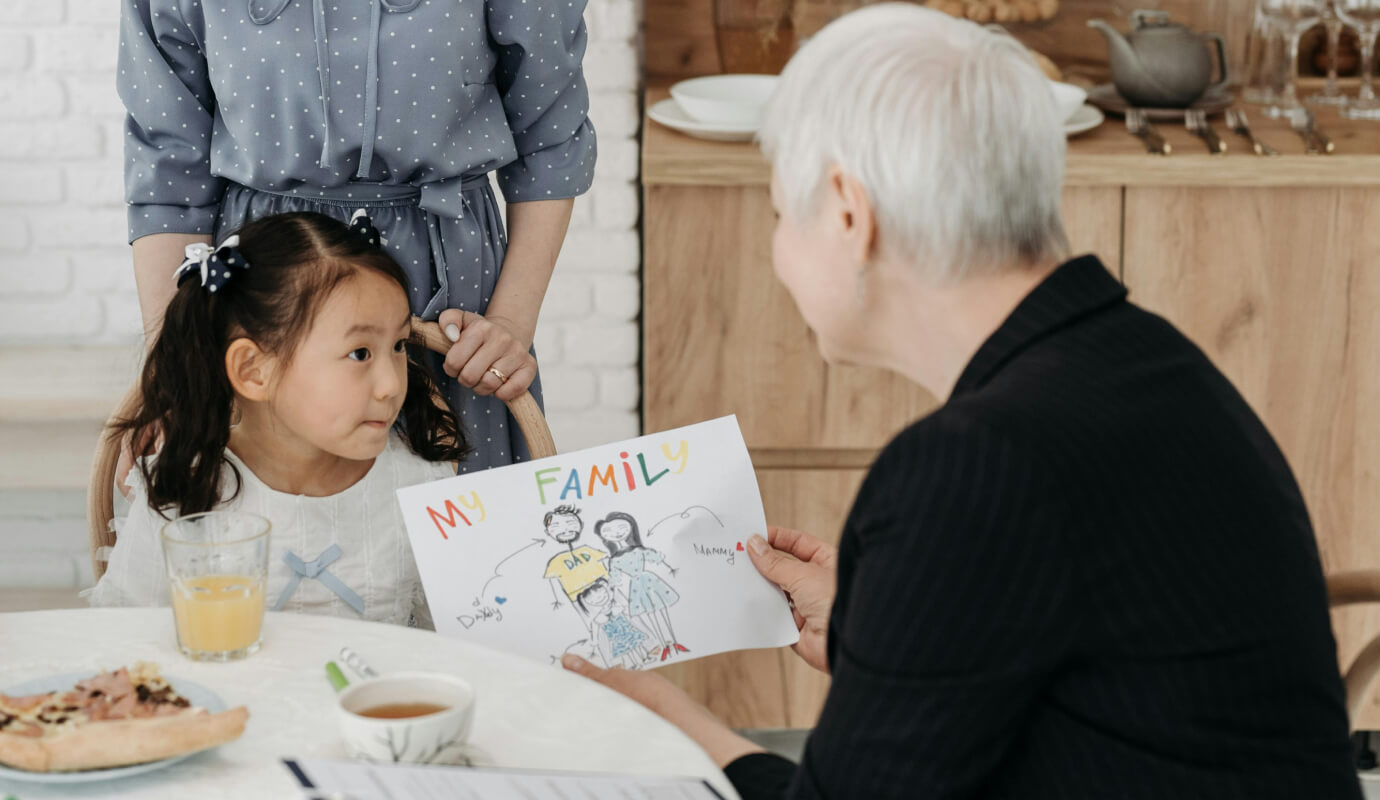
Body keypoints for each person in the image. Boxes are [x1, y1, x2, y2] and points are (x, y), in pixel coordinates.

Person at [560, 5, 1363, 799]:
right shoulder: (1150, 362)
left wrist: (670, 728)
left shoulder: (971, 466)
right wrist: (877, 627)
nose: (777, 251)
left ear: (849, 213)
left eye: (779, 214)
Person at [118, 0, 596, 470]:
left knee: (454, 525)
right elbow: (169, 170)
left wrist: (511, 322)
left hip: (451, 284)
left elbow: (549, 139)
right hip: (267, 285)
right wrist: (174, 373)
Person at [86, 211, 463, 627]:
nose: (391, 384)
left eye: (398, 346)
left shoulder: (421, 488)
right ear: (253, 370)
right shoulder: (184, 487)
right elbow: (126, 638)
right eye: (360, 354)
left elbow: (459, 643)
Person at [595, 511, 686, 662]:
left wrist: (670, 567)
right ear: (604, 538)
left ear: (631, 527)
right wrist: (611, 590)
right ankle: (665, 644)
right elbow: (615, 578)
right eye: (608, 532)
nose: (616, 534)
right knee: (650, 614)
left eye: (621, 528)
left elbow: (655, 556)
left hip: (649, 581)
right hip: (636, 586)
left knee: (661, 610)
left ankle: (673, 642)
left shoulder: (638, 550)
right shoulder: (614, 560)